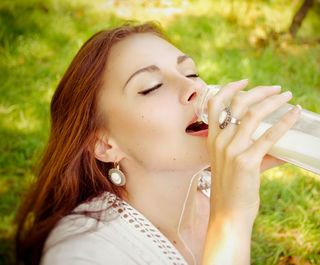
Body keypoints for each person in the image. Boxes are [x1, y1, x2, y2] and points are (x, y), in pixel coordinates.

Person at [15, 22, 301, 265]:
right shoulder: (81, 255)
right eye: (151, 87)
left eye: (190, 73)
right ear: (104, 145)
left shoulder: (208, 190)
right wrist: (231, 219)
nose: (195, 89)